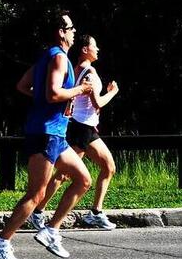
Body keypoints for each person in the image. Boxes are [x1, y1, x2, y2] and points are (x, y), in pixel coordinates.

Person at [0, 10, 93, 259]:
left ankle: (51, 230)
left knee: (83, 179)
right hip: (46, 133)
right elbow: (54, 93)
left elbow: (23, 85)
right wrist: (80, 90)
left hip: (55, 133)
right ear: (61, 32)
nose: (74, 31)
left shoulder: (49, 56)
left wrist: (45, 102)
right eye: (71, 27)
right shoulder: (57, 58)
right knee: (35, 194)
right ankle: (1, 243)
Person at [28, 34, 120, 230]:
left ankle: (96, 211)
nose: (98, 50)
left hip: (82, 126)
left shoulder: (75, 68)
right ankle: (38, 212)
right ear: (85, 49)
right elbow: (98, 102)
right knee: (65, 175)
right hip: (83, 128)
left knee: (108, 167)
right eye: (94, 46)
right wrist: (112, 92)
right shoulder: (90, 73)